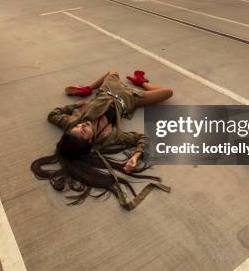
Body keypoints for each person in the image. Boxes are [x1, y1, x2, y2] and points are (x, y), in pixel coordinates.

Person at [31, 71, 173, 210]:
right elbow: (142, 138)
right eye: (84, 130)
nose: (84, 124)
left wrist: (73, 106)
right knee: (168, 92)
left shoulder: (72, 123)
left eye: (79, 126)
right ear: (89, 142)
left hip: (108, 91)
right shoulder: (109, 137)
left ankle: (88, 88)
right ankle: (141, 82)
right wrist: (136, 156)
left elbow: (53, 115)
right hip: (128, 99)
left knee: (113, 73)